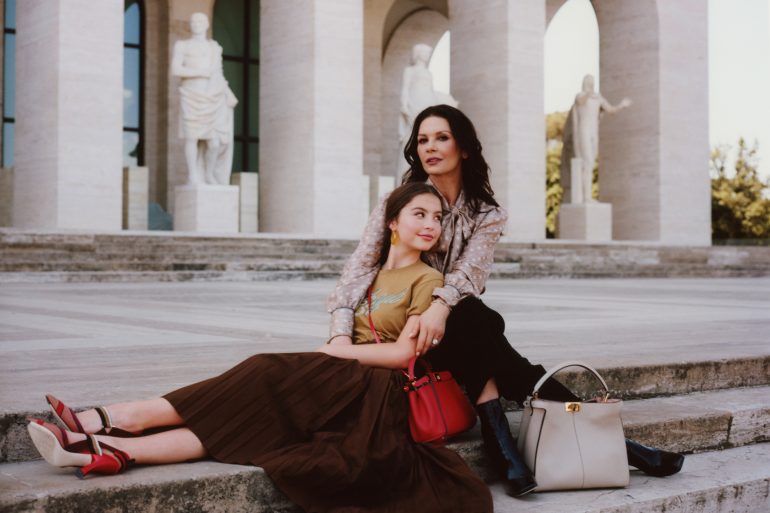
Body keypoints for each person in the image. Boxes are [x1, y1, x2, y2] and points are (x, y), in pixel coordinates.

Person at [27, 183, 493, 513]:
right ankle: (105, 449)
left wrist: (334, 353)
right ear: (392, 221)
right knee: (243, 419)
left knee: (263, 369)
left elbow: (400, 356)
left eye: (437, 217)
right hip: (344, 380)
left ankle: (106, 419)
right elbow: (341, 333)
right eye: (419, 213)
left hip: (379, 393)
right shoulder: (366, 277)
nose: (431, 224)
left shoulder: (429, 279)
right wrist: (334, 350)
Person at [327, 104, 684, 497]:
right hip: (400, 331)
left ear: (464, 148)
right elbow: (358, 270)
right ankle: (616, 445)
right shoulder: (400, 202)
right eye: (423, 139)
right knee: (484, 326)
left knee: (474, 319)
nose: (429, 147)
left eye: (441, 137)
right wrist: (339, 334)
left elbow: (469, 276)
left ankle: (505, 450)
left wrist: (437, 309)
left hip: (450, 331)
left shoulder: (487, 214)